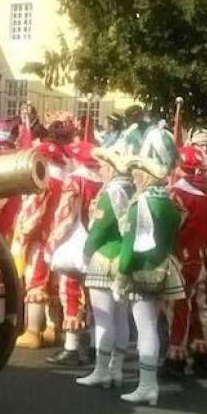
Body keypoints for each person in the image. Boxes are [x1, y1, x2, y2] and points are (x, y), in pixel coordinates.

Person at [113, 155, 184, 406]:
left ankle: (147, 386)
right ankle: (149, 385)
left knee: (145, 328)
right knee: (152, 325)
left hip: (142, 270)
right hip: (163, 267)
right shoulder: (169, 204)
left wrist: (121, 275)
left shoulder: (141, 204)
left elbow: (130, 246)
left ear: (147, 176)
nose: (134, 177)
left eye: (138, 173)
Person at [76, 147, 135, 387]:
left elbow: (98, 230)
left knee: (103, 319)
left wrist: (86, 253)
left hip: (105, 257)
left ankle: (101, 370)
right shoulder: (133, 191)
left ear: (111, 169)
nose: (100, 170)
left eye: (102, 167)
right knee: (121, 317)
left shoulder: (111, 193)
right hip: (124, 258)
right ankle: (116, 370)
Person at [46, 140, 103, 367]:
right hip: (96, 243)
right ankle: (92, 346)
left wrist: (53, 241)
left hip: (75, 241)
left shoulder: (75, 180)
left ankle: (71, 348)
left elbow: (66, 215)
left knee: (70, 292)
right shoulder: (102, 181)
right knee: (93, 295)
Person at [165, 145, 207, 378]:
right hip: (202, 255)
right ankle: (204, 356)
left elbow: (172, 227)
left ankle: (177, 356)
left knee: (179, 307)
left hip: (182, 257)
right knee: (201, 307)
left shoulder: (178, 193)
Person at [12, 140, 67, 349]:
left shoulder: (45, 184)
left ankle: (33, 331)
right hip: (57, 240)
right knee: (51, 287)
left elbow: (35, 215)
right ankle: (53, 329)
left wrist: (23, 236)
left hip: (41, 241)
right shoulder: (64, 181)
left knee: (36, 285)